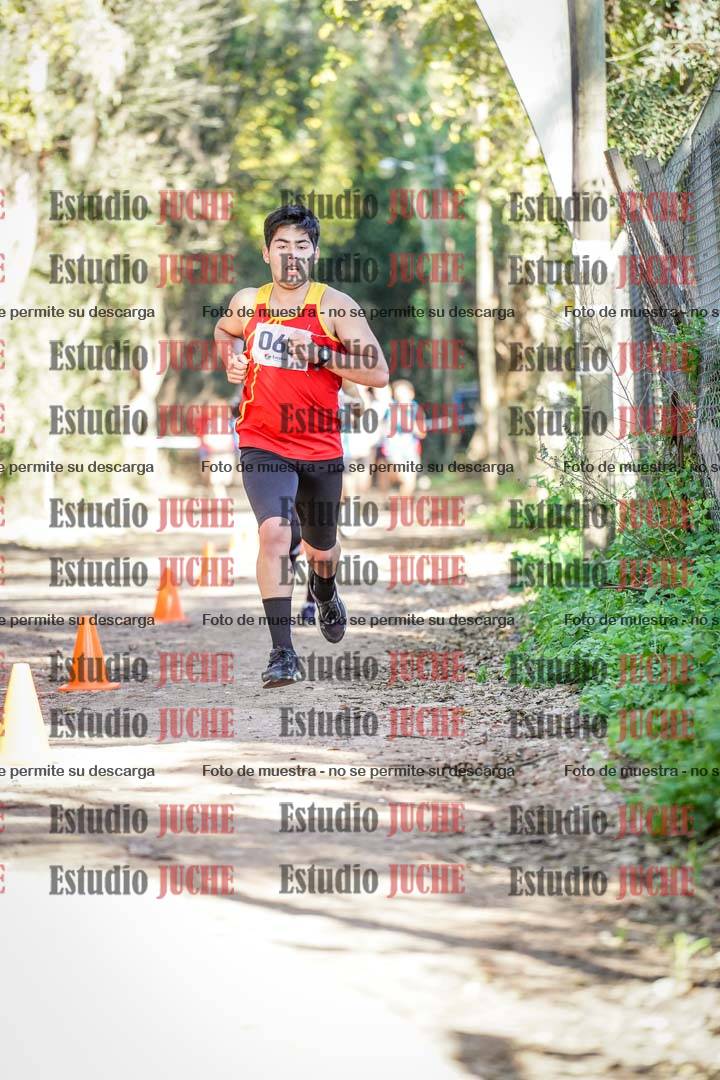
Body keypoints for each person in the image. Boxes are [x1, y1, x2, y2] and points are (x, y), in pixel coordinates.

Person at [214, 204, 389, 687]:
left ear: (313, 253)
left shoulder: (335, 306)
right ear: (266, 252)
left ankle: (325, 589)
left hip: (320, 448)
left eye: (301, 246)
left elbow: (377, 371)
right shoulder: (248, 302)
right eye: (282, 245)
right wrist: (231, 358)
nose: (291, 255)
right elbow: (224, 332)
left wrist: (320, 353)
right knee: (274, 533)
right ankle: (282, 653)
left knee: (321, 549)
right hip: (262, 442)